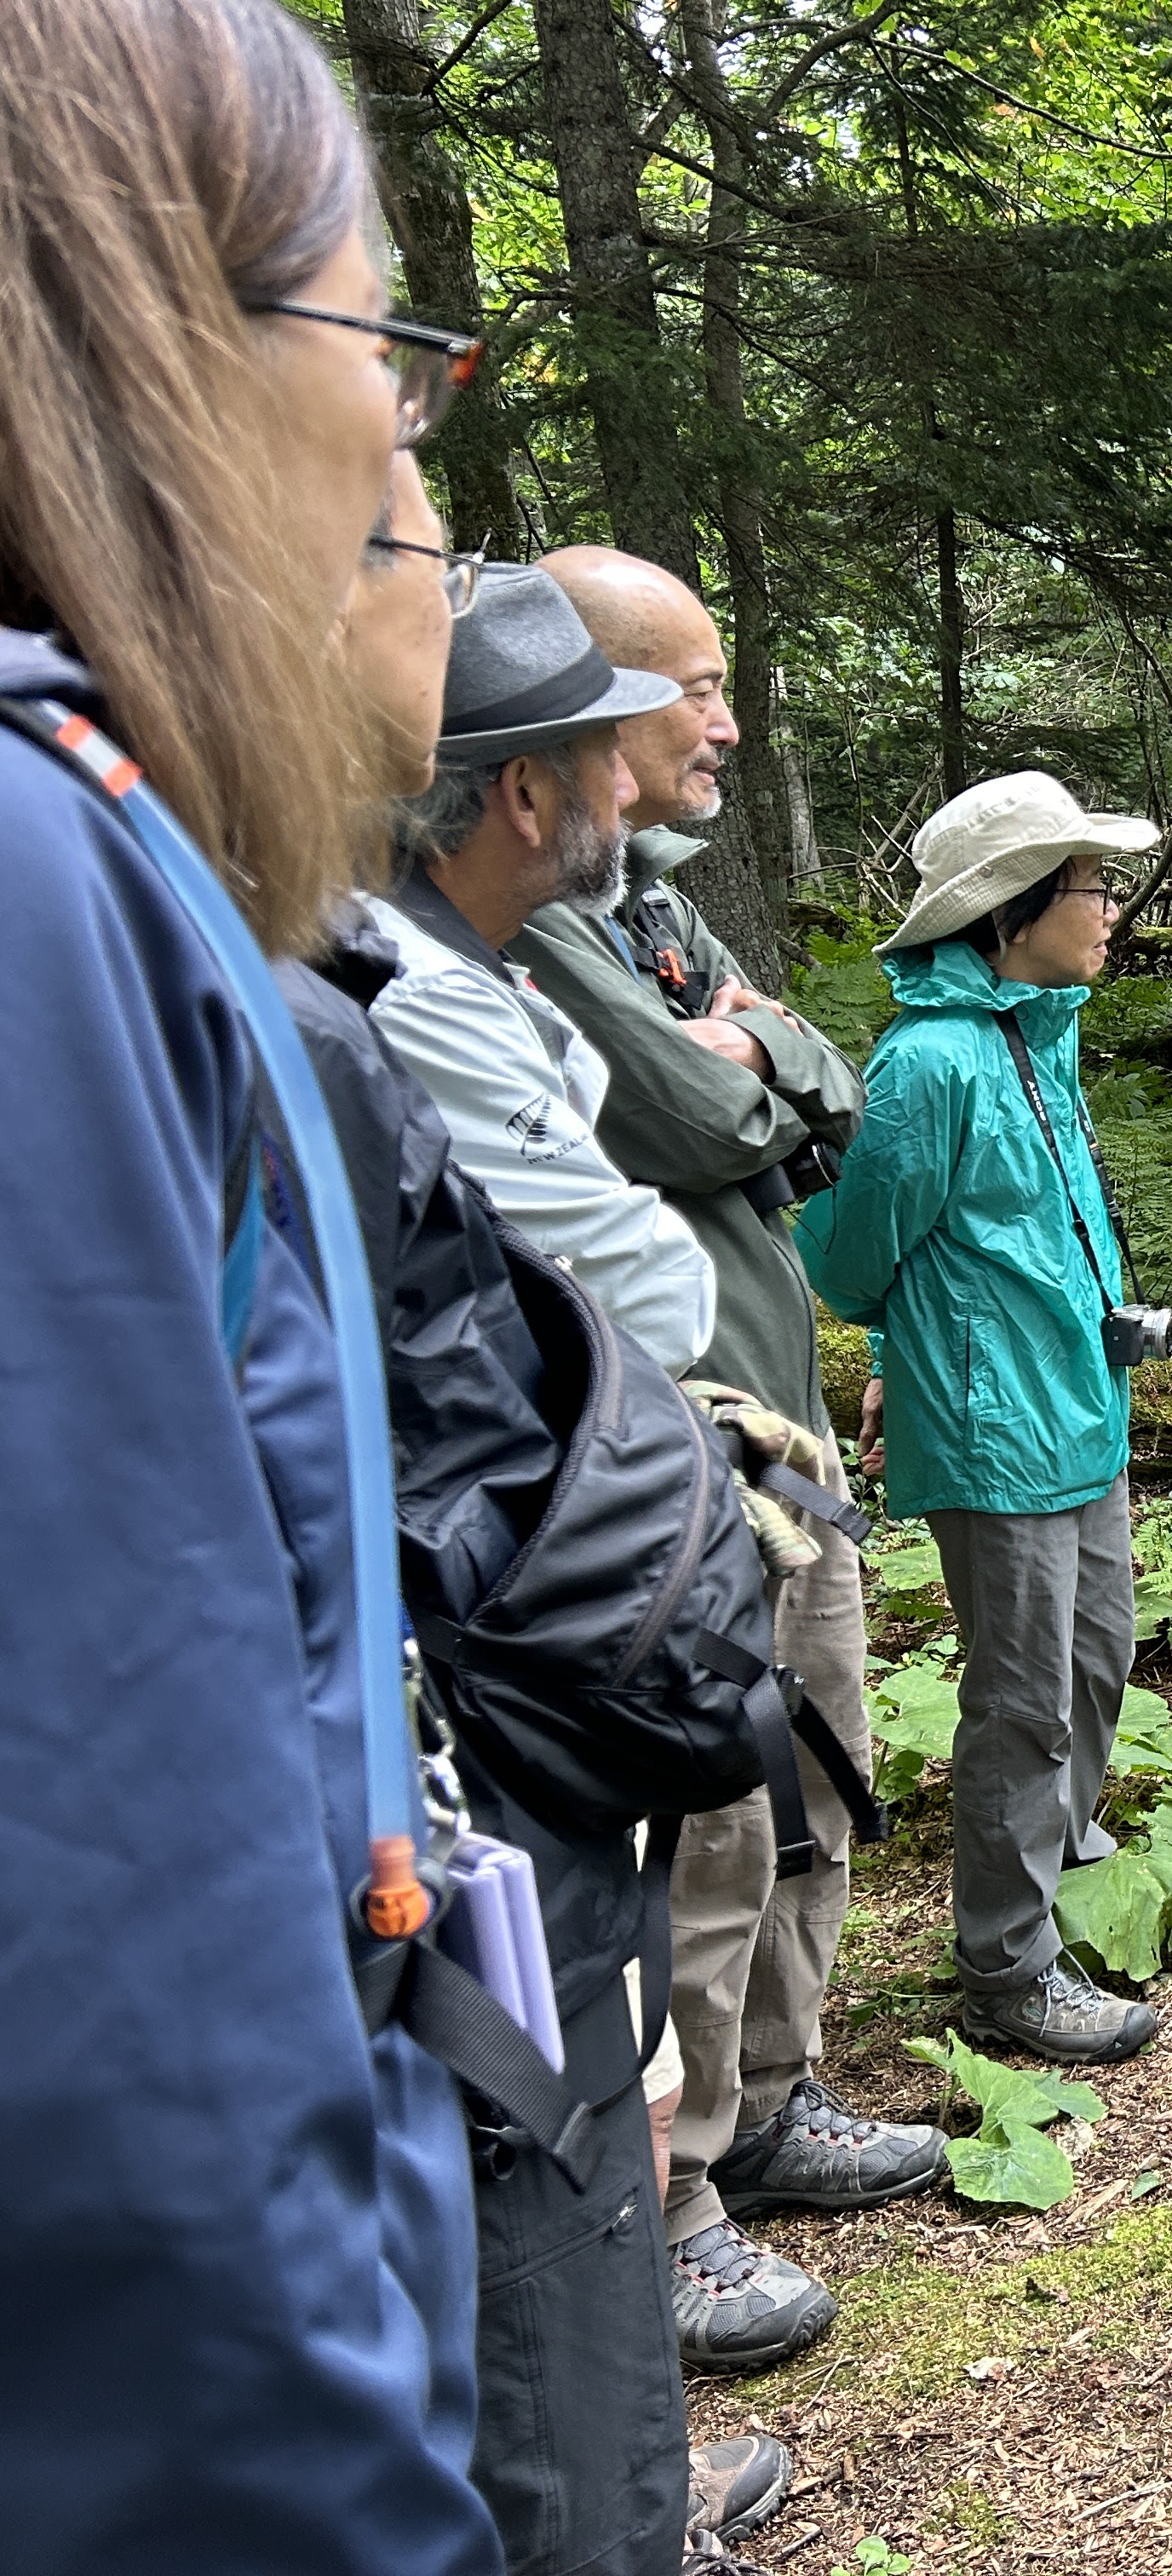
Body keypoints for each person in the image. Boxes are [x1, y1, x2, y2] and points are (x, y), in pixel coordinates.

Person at [0, 0, 498, 2562]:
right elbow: (121, 2008)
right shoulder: (39, 889)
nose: (413, 440)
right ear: (139, 337)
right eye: (385, 347)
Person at [296, 462, 795, 2571]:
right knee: (544, 2099)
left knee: (584, 2069)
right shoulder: (367, 1000)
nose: (671, 756)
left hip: (502, 1663)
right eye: (620, 728)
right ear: (513, 788)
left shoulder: (432, 969)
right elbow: (653, 1257)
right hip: (476, 1698)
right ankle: (599, 2508)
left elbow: (772, 1113)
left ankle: (621, 2489)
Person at [509, 544, 945, 2379]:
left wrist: (747, 1050)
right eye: (692, 688)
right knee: (691, 1830)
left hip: (778, 1426)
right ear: (585, 709)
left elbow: (809, 1086)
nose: (727, 721)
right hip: (652, 1451)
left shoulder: (657, 908)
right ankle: (676, 2194)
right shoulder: (527, 908)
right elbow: (695, 1110)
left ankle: (775, 2098)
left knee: (814, 1781)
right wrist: (737, 1068)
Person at [799, 773, 1167, 2064]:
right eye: (1089, 885)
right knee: (1021, 1703)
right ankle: (1009, 1974)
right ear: (1014, 909)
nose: (1112, 907)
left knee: (1098, 1656)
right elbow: (844, 1262)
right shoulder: (930, 1063)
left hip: (1082, 1411)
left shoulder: (1039, 1034)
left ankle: (1055, 1876)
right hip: (993, 1426)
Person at [373, 562, 716, 1375]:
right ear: (525, 793)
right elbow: (657, 1300)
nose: (628, 789)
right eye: (608, 756)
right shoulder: (422, 994)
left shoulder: (448, 958)